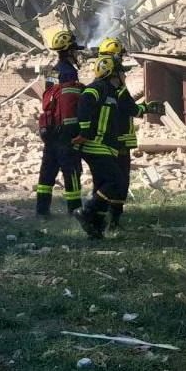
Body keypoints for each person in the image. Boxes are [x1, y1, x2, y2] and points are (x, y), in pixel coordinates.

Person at [96, 37, 163, 231]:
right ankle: (108, 220)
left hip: (108, 141)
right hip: (119, 142)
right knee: (119, 182)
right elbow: (130, 109)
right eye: (120, 57)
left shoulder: (99, 84)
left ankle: (102, 218)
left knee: (108, 181)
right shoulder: (115, 86)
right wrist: (147, 108)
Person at [72, 55, 127, 239]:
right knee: (116, 181)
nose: (124, 77)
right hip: (96, 145)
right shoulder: (99, 88)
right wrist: (86, 131)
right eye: (122, 73)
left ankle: (94, 228)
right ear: (112, 74)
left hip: (104, 146)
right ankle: (87, 211)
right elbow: (86, 99)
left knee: (103, 185)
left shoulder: (111, 92)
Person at [35, 30, 85, 217]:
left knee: (47, 173)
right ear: (68, 51)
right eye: (74, 50)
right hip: (67, 132)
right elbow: (72, 103)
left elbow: (48, 100)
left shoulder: (52, 71)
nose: (77, 54)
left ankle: (42, 211)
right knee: (71, 172)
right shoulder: (69, 72)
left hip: (50, 130)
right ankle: (75, 211)